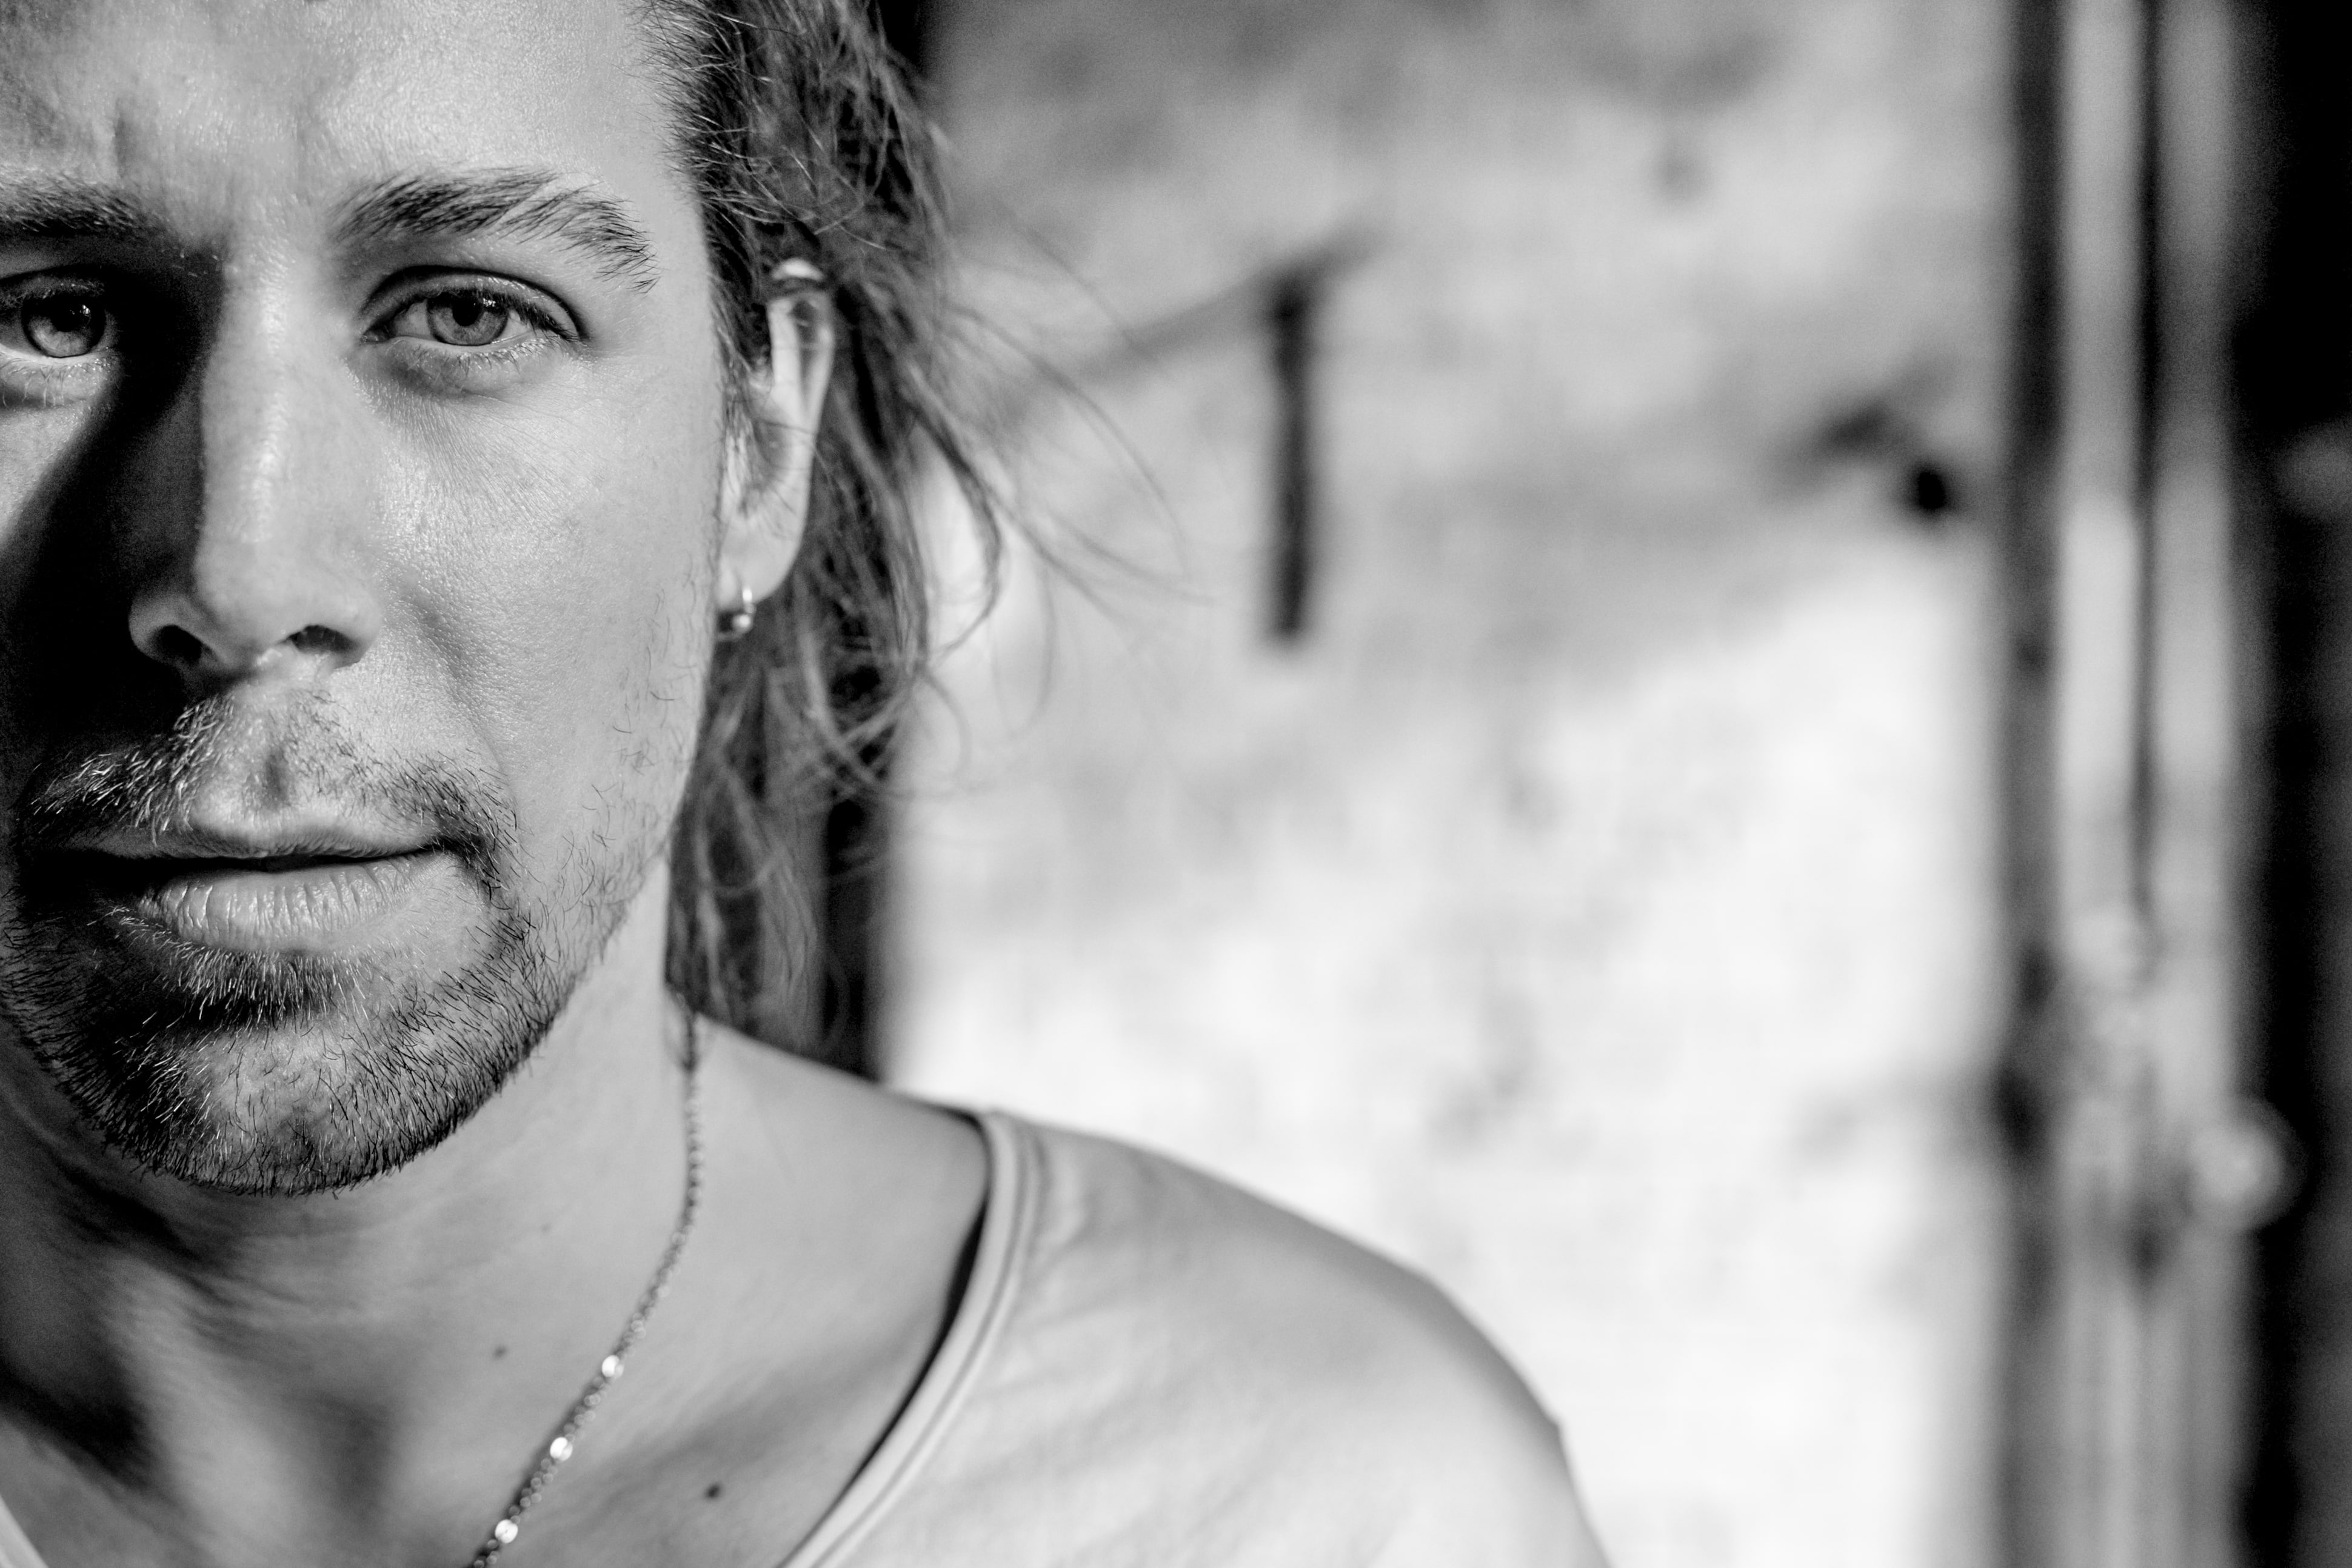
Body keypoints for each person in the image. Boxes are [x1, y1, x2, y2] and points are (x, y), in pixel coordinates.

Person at [0, 1, 1610, 1563]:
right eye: (46, 316)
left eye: (470, 313)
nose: (236, 573)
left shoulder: (1314, 1504)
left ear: (761, 441)